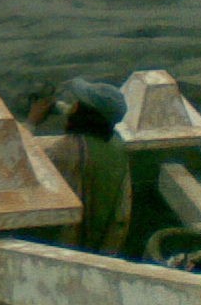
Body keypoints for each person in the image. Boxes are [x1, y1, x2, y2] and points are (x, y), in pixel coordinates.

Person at [29, 77, 132, 254]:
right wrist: (56, 107)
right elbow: (84, 116)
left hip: (71, 246)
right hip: (105, 244)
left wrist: (31, 122)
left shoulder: (68, 151)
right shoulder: (115, 143)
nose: (73, 106)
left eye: (77, 103)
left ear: (83, 112)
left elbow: (27, 164)